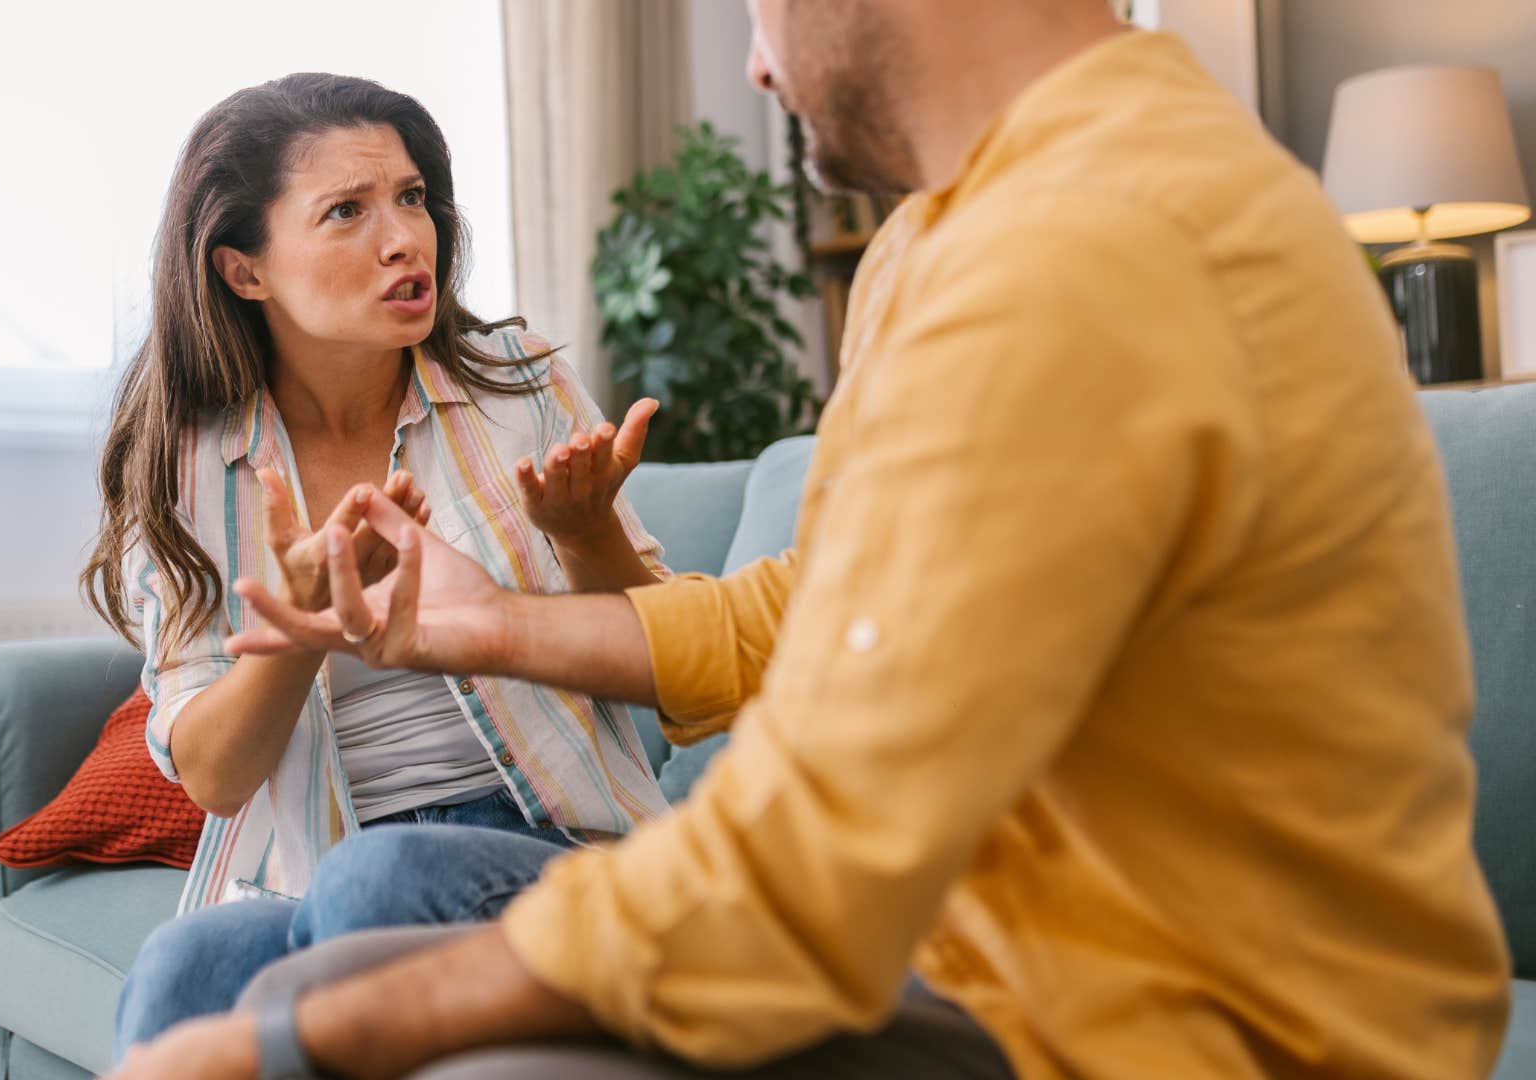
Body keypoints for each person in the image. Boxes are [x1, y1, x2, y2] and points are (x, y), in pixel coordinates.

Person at [107, 1, 1514, 1078]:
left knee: (305, 995)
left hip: (1154, 1034)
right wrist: (484, 624)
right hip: (988, 973)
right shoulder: (943, 243)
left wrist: (299, 1040)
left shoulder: (1092, 243)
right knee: (215, 964)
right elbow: (799, 614)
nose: (755, 65)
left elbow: (813, 865)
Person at [77, 73, 673, 1056]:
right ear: (243, 270)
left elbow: (662, 663)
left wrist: (589, 533)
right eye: (346, 211)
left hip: (551, 838)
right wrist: (296, 635)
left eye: (410, 197)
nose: (404, 238)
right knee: (184, 966)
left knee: (379, 882)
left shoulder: (518, 385)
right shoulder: (191, 462)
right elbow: (216, 777)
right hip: (315, 869)